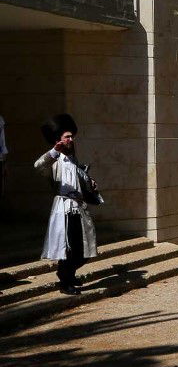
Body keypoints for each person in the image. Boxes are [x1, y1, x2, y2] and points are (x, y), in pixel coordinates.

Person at [34, 114, 99, 295]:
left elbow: (79, 180)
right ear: (59, 140)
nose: (71, 139)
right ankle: (65, 281)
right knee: (69, 247)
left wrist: (90, 182)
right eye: (67, 137)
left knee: (85, 248)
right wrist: (54, 151)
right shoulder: (54, 161)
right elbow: (38, 166)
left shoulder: (74, 160)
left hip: (79, 207)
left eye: (72, 136)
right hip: (64, 208)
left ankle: (67, 273)